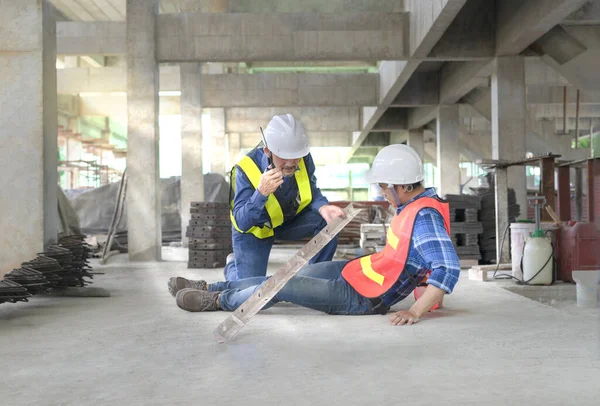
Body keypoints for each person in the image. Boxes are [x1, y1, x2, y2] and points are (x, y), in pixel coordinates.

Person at [169, 144, 461, 326]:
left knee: (281, 286)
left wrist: (416, 311)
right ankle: (211, 286)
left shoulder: (425, 217)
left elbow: (447, 268)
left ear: (404, 186)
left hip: (362, 297)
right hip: (359, 272)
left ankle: (218, 301)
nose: (382, 193)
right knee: (287, 273)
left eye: (384, 186)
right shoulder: (413, 204)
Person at [176, 113, 344, 285]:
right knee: (250, 292)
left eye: (295, 155)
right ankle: (233, 266)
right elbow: (242, 222)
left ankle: (316, 282)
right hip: (255, 231)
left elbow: (311, 190)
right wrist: (261, 193)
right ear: (267, 151)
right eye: (283, 156)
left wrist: (323, 207)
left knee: (327, 222)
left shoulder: (303, 158)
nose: (291, 162)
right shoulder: (244, 170)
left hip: (286, 222)